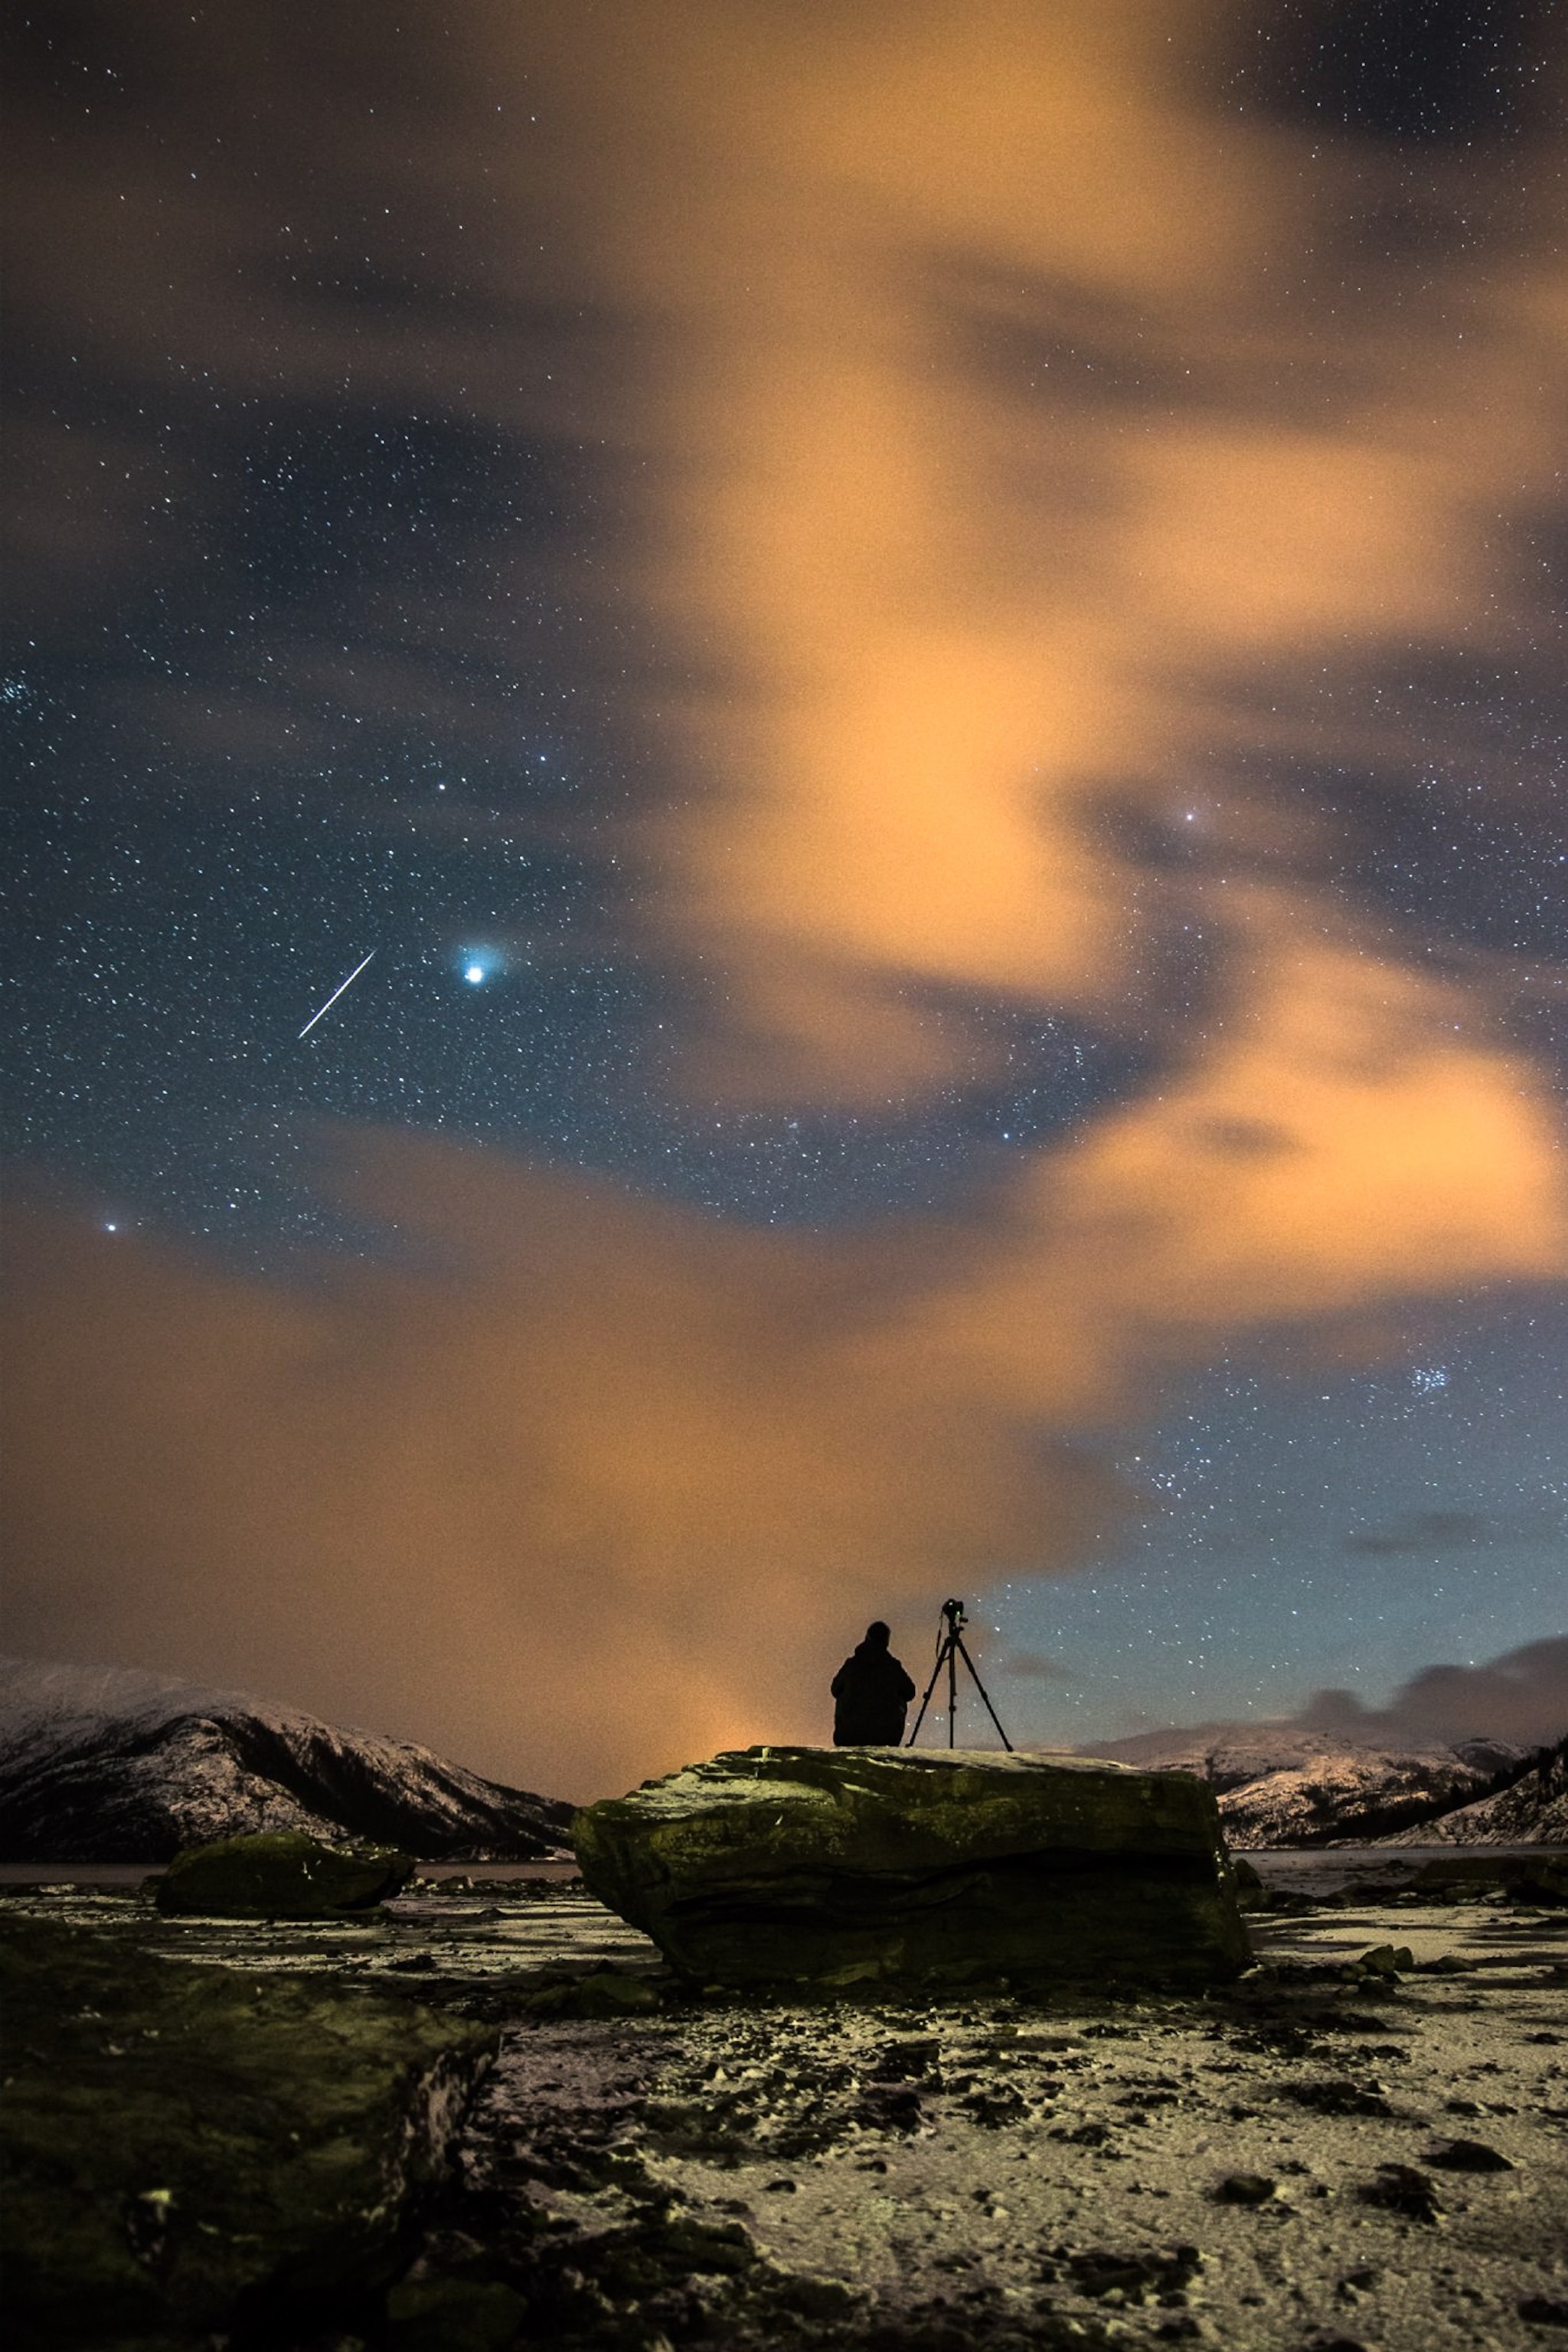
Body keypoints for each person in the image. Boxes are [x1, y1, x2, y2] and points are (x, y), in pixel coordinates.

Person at [831, 1621, 916, 1746]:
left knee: (843, 1689)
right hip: (885, 1738)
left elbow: (834, 1690)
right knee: (900, 1695)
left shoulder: (851, 1665)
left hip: (848, 1737)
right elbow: (910, 1693)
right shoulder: (893, 1667)